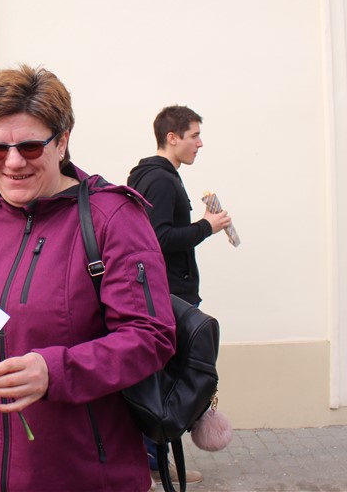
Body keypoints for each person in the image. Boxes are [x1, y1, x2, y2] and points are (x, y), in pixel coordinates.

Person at [0, 65, 176, 492]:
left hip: (86, 476)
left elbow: (151, 336)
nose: (13, 163)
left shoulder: (111, 218)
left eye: (30, 147)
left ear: (62, 141)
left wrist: (56, 371)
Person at [127, 104, 231, 485]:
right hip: (170, 297)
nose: (199, 144)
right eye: (194, 135)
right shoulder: (160, 179)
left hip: (167, 294)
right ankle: (154, 463)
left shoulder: (156, 176)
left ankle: (152, 461)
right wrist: (206, 226)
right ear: (172, 138)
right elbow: (158, 238)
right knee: (164, 387)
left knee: (159, 383)